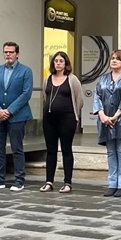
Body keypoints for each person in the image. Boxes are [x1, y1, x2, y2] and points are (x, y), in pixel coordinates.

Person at [0, 42, 33, 192]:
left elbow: (26, 94)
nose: (8, 55)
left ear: (17, 54)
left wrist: (10, 110)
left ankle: (19, 180)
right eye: (6, 52)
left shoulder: (26, 71)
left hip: (17, 117)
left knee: (17, 148)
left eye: (11, 52)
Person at [93, 49, 121, 197]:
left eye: (117, 59)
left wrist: (116, 115)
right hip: (105, 120)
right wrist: (102, 115)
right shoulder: (103, 79)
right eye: (112, 58)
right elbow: (97, 96)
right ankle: (112, 184)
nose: (114, 61)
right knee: (111, 152)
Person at [40, 51, 84, 194]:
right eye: (56, 61)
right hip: (49, 119)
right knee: (51, 150)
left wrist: (74, 116)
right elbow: (45, 97)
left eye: (61, 61)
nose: (58, 63)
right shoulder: (47, 79)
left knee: (66, 149)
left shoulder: (72, 79)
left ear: (66, 64)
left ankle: (67, 182)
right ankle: (49, 181)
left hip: (67, 119)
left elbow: (79, 100)